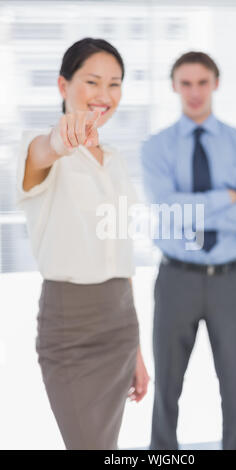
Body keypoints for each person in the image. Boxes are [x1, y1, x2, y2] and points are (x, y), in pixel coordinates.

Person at [15, 37, 150, 450]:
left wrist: (138, 352)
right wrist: (61, 139)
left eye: (115, 84)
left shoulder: (116, 161)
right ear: (62, 85)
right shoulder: (38, 146)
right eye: (92, 81)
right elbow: (43, 153)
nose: (104, 95)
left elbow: (121, 257)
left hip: (120, 324)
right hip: (70, 328)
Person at [140, 51, 236, 450]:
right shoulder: (156, 147)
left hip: (229, 280)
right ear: (174, 87)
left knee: (235, 386)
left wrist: (190, 207)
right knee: (167, 389)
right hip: (176, 277)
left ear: (215, 83)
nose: (194, 92)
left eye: (201, 82)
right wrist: (226, 197)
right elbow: (164, 211)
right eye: (185, 83)